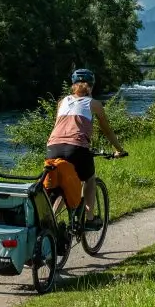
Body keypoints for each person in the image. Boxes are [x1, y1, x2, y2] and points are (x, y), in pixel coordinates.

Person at [46, 68, 125, 226]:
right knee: (89, 178)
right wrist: (119, 150)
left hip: (52, 147)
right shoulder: (94, 104)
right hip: (76, 148)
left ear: (73, 85)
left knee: (63, 183)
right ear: (92, 86)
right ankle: (89, 219)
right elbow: (107, 130)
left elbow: (56, 126)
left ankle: (51, 221)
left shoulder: (62, 102)